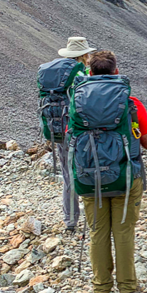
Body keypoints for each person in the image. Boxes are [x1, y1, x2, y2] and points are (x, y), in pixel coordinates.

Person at [83, 50, 147, 293]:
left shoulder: (76, 102)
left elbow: (71, 138)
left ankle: (101, 291)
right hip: (125, 176)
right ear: (116, 71)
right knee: (123, 231)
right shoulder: (130, 103)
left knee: (98, 232)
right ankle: (127, 289)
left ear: (90, 72)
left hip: (90, 179)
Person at [56, 37, 95, 232]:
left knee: (68, 175)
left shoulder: (59, 74)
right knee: (88, 171)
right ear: (83, 55)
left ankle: (70, 221)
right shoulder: (80, 74)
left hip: (60, 131)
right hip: (79, 132)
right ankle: (94, 218)